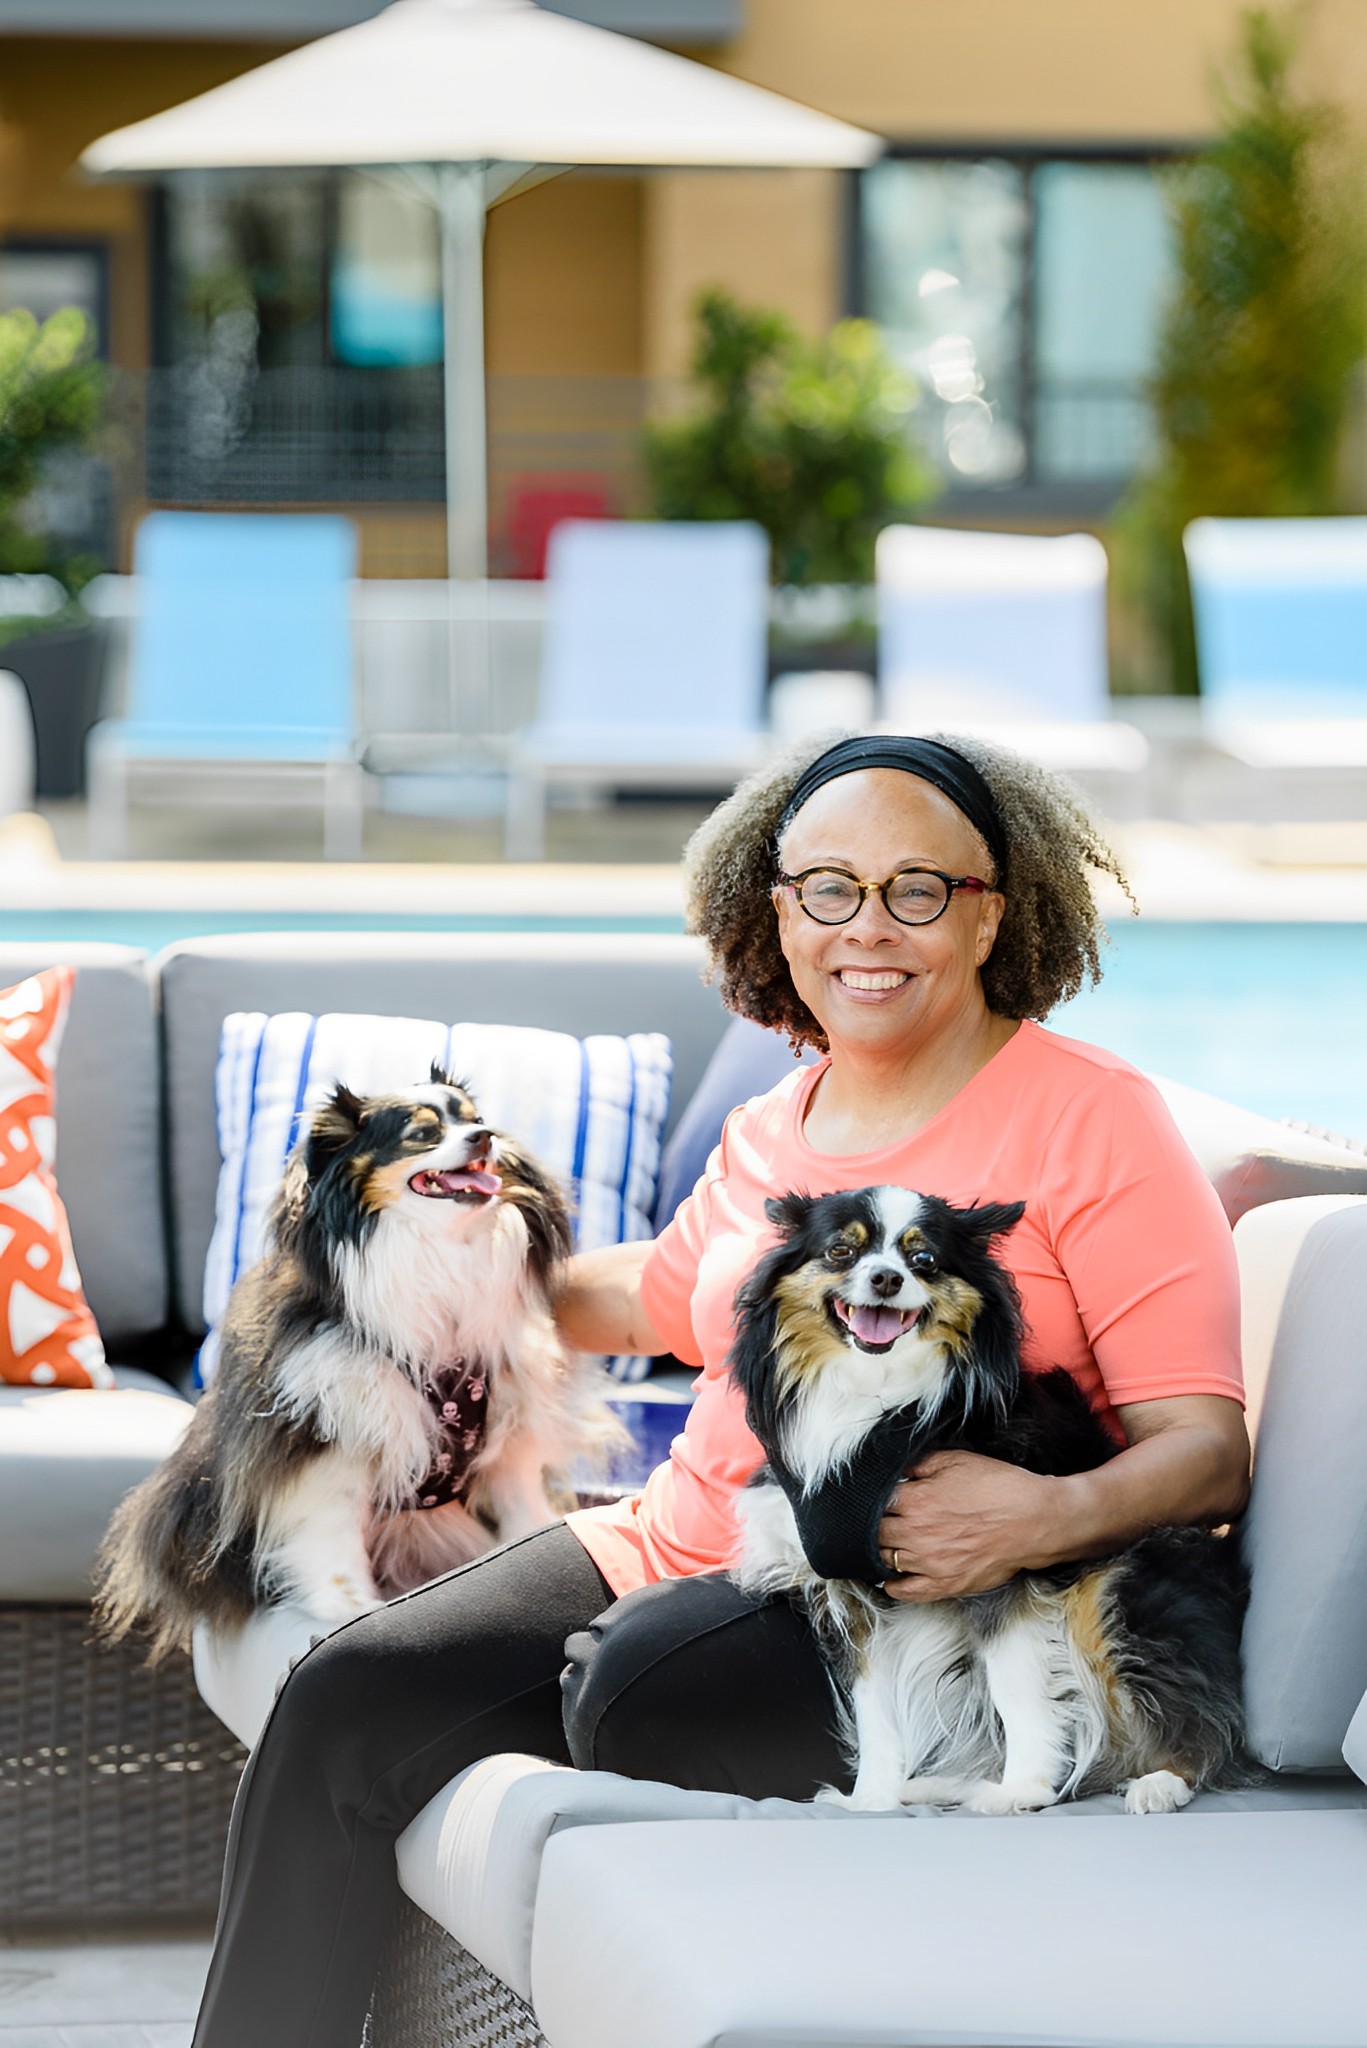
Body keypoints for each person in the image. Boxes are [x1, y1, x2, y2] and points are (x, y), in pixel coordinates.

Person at [191, 733, 1250, 2048]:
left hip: (879, 1599)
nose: (870, 926)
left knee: (639, 1692)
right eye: (828, 886)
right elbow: (657, 1295)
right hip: (676, 1542)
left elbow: (1203, 1448)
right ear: (773, 902)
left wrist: (1044, 1517)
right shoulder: (779, 1122)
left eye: (920, 888)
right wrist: (401, 1271)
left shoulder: (1098, 1123)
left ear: (996, 913)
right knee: (340, 1698)